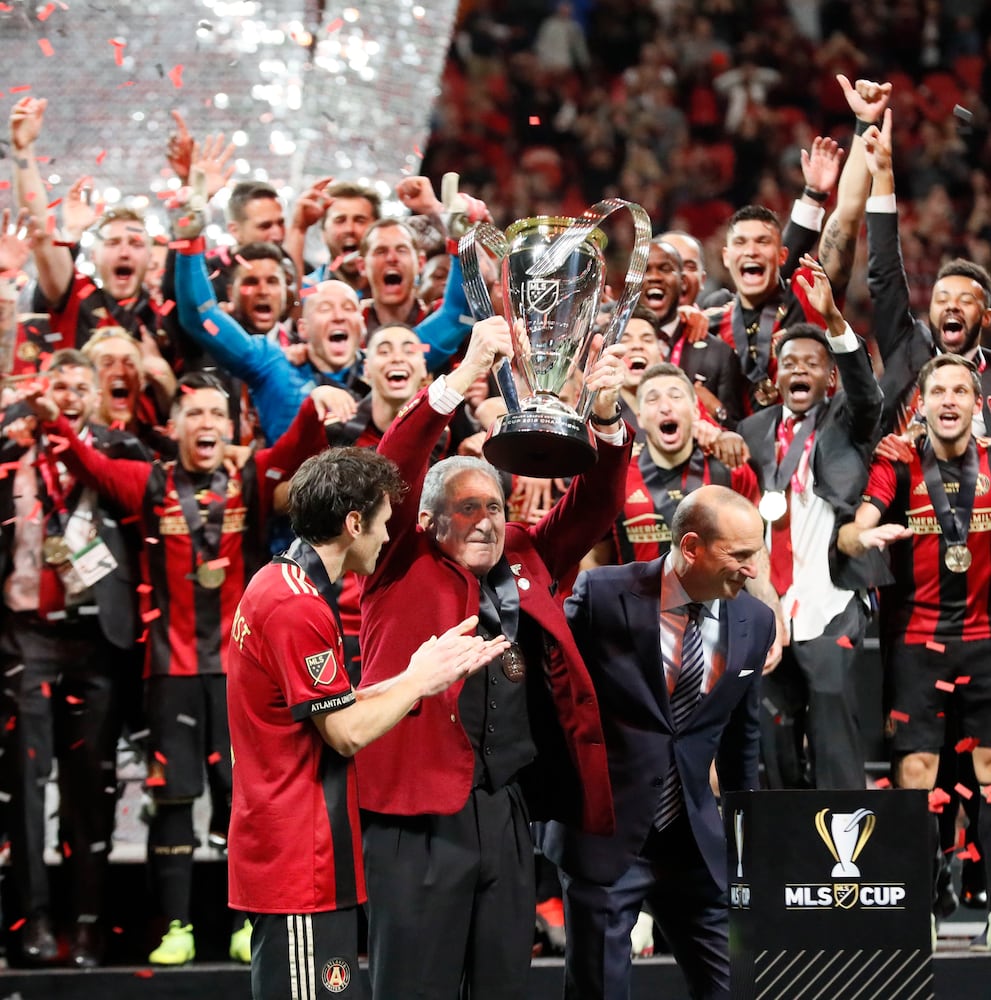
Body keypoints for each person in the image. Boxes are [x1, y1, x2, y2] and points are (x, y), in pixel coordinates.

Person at [355, 314, 632, 999]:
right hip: (413, 818)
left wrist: (603, 415)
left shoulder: (526, 555)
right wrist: (459, 378)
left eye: (495, 505)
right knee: (413, 989)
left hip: (505, 810)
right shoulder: (397, 562)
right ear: (427, 520)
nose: (486, 519)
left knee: (503, 984)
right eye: (467, 507)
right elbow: (394, 466)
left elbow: (595, 505)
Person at [23, 371, 331, 966]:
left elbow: (297, 449)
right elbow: (86, 462)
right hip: (169, 672)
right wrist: (53, 418)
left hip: (243, 673)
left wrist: (315, 405)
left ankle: (249, 923)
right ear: (173, 429)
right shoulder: (148, 482)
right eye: (194, 415)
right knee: (172, 799)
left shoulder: (250, 477)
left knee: (246, 798)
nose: (206, 424)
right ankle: (176, 928)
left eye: (217, 414)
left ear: (233, 429)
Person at [226, 446, 508, 999]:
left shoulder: (281, 584)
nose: (388, 537)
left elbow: (328, 703)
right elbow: (345, 732)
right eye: (382, 523)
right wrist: (420, 682)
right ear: (354, 523)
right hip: (297, 859)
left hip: (300, 850)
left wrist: (412, 670)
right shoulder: (296, 608)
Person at [543, 484, 774, 1000]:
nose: (752, 570)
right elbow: (550, 699)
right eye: (739, 555)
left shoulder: (755, 621)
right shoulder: (602, 594)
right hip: (605, 838)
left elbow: (743, 739)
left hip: (695, 843)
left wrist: (744, 840)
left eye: (754, 553)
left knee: (735, 988)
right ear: (691, 547)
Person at [838, 353, 991, 949]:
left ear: (977, 405)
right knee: (917, 775)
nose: (949, 400)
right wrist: (863, 535)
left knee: (988, 775)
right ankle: (917, 907)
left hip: (985, 642)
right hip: (916, 644)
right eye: (938, 392)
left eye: (961, 391)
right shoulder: (898, 463)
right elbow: (856, 526)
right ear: (921, 405)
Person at [0, 350, 146, 968]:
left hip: (96, 640)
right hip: (24, 638)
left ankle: (87, 924)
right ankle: (32, 919)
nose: (67, 392)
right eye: (56, 383)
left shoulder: (121, 449)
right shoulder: (10, 448)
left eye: (78, 384)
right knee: (25, 789)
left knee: (91, 788)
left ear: (94, 394)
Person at [737, 259, 883, 790]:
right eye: (789, 361)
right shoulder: (752, 431)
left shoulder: (847, 418)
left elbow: (870, 393)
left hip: (829, 597)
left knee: (832, 732)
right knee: (774, 737)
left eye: (812, 362)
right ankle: (785, 858)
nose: (799, 369)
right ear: (775, 377)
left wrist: (835, 323)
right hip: (767, 601)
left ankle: (847, 860)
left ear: (830, 376)